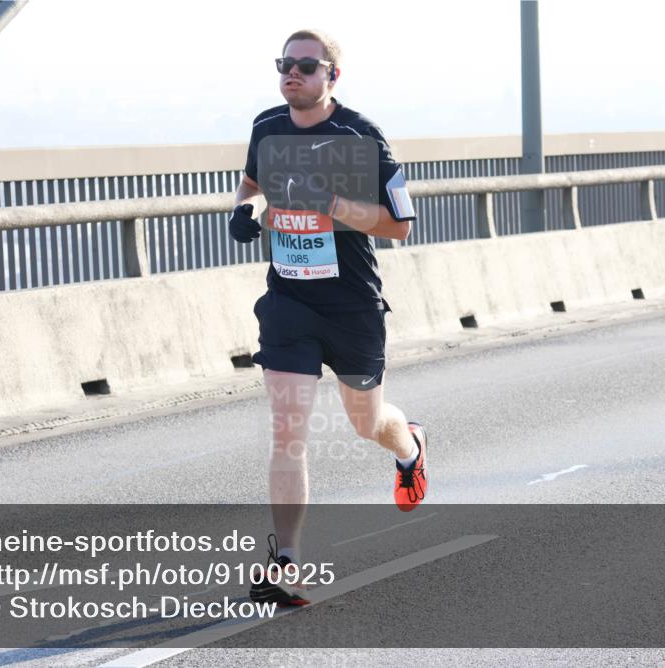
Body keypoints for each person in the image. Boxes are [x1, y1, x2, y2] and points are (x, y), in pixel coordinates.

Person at [230, 29, 427, 607]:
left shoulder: (360, 136)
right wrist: (244, 210)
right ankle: (287, 562)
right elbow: (251, 185)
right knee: (288, 431)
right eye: (285, 64)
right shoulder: (268, 128)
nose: (292, 72)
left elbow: (400, 224)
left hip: (351, 305)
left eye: (306, 65)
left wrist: (334, 206)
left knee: (367, 422)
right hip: (289, 302)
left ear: (332, 76)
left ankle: (410, 448)